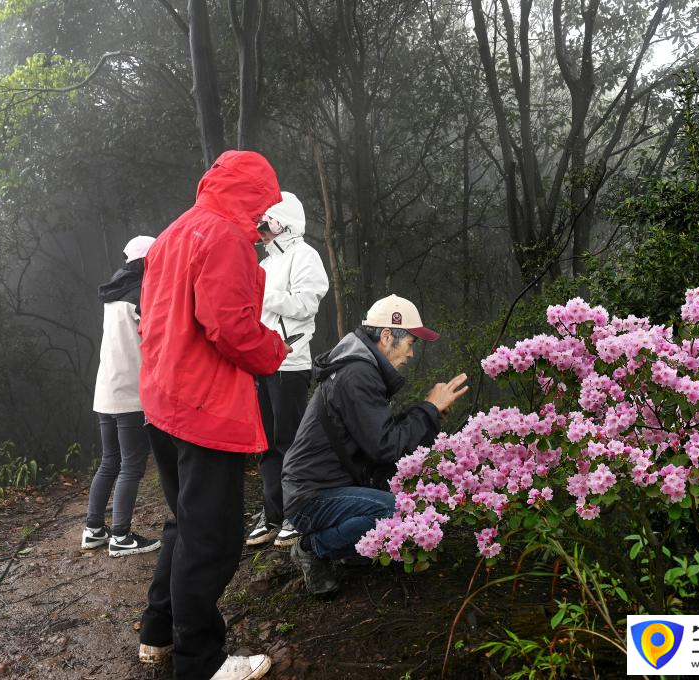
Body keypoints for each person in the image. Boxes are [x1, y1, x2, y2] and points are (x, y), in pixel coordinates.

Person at [137, 150, 289, 680]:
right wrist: (275, 351)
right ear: (252, 193)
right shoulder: (224, 236)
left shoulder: (177, 230)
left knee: (185, 523)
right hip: (204, 406)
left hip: (162, 397)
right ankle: (200, 662)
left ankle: (158, 633)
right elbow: (229, 326)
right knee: (214, 541)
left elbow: (157, 319)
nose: (265, 215)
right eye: (264, 201)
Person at [281, 294, 468, 596]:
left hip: (328, 486)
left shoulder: (361, 369)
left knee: (408, 500)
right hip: (312, 496)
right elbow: (386, 447)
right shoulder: (358, 374)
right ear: (386, 336)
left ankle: (347, 544)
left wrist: (428, 413)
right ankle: (313, 547)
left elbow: (379, 435)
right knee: (398, 512)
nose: (411, 353)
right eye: (410, 342)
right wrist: (428, 410)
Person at [246, 192, 329, 548]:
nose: (262, 230)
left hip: (290, 362)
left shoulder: (305, 256)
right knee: (266, 444)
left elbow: (306, 306)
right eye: (261, 224)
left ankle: (297, 515)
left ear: (286, 223)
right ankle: (273, 513)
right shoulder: (263, 265)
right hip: (260, 362)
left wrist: (263, 292)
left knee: (290, 442)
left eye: (267, 223)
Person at [81, 235, 162, 558]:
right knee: (131, 465)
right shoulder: (142, 293)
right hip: (130, 392)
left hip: (106, 390)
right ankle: (122, 536)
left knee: (110, 461)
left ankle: (94, 529)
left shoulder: (113, 293)